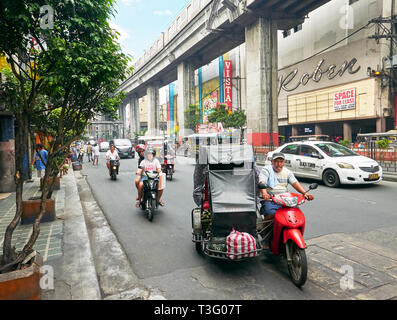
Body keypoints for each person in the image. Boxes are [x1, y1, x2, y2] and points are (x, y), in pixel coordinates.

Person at [258, 152, 314, 221]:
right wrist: (264, 193)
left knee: (297, 216)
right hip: (270, 200)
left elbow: (295, 183)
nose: (279, 164)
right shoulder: (266, 170)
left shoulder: (287, 172)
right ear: (272, 161)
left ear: (284, 162)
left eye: (281, 162)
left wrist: (305, 193)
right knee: (271, 214)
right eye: (276, 161)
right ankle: (265, 230)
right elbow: (262, 182)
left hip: (285, 200)